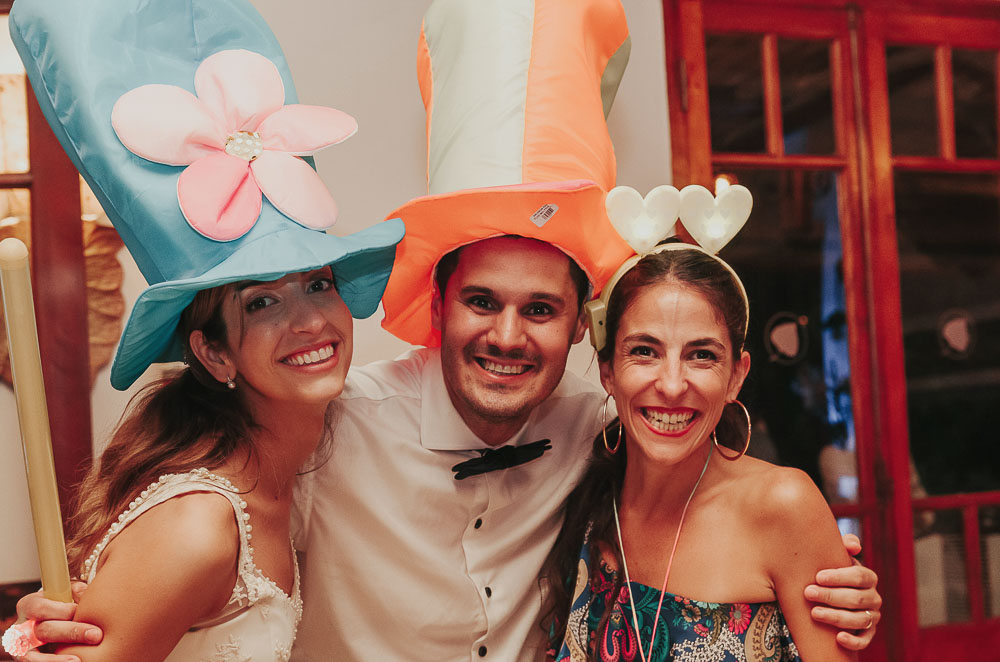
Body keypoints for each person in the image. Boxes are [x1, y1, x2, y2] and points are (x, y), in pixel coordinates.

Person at [11, 1, 880, 660]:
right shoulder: (321, 428)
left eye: (540, 310)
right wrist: (79, 606)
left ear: (581, 331)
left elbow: (707, 487)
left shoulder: (603, 432)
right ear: (437, 304)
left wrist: (825, 571)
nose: (508, 335)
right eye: (482, 301)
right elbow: (197, 531)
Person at [4, 0, 404, 660]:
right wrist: (26, 644)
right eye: (261, 303)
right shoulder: (198, 526)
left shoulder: (296, 457)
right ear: (213, 354)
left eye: (317, 284)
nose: (310, 320)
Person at [544, 242, 862, 661]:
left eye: (701, 356)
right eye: (645, 351)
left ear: (736, 377)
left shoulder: (784, 505)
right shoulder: (585, 494)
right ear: (608, 371)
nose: (672, 385)